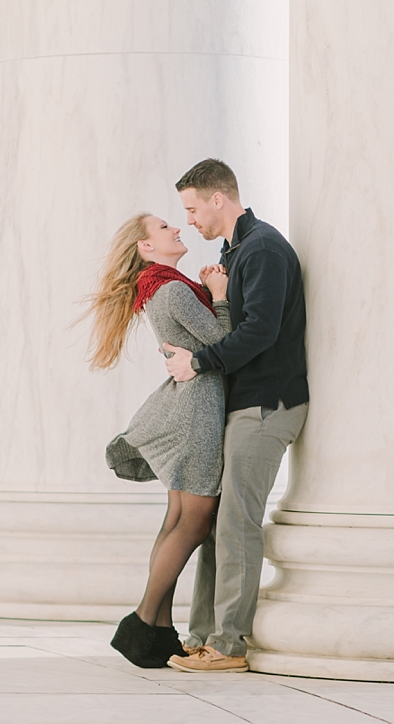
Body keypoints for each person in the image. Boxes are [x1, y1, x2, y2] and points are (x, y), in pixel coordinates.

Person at [160, 158, 308, 673]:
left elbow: (261, 332)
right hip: (243, 405)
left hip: (268, 405)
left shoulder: (263, 248)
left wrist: (197, 361)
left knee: (237, 521)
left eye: (192, 208)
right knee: (216, 525)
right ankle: (204, 636)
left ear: (218, 198)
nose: (190, 220)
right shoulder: (236, 251)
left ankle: (229, 644)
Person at [84, 212, 232, 669]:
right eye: (165, 227)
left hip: (191, 407)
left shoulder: (162, 286)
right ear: (146, 246)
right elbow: (225, 342)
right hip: (198, 413)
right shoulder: (168, 289)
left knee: (178, 519)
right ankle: (143, 620)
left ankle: (159, 628)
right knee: (196, 519)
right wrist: (221, 298)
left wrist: (205, 293)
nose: (176, 229)